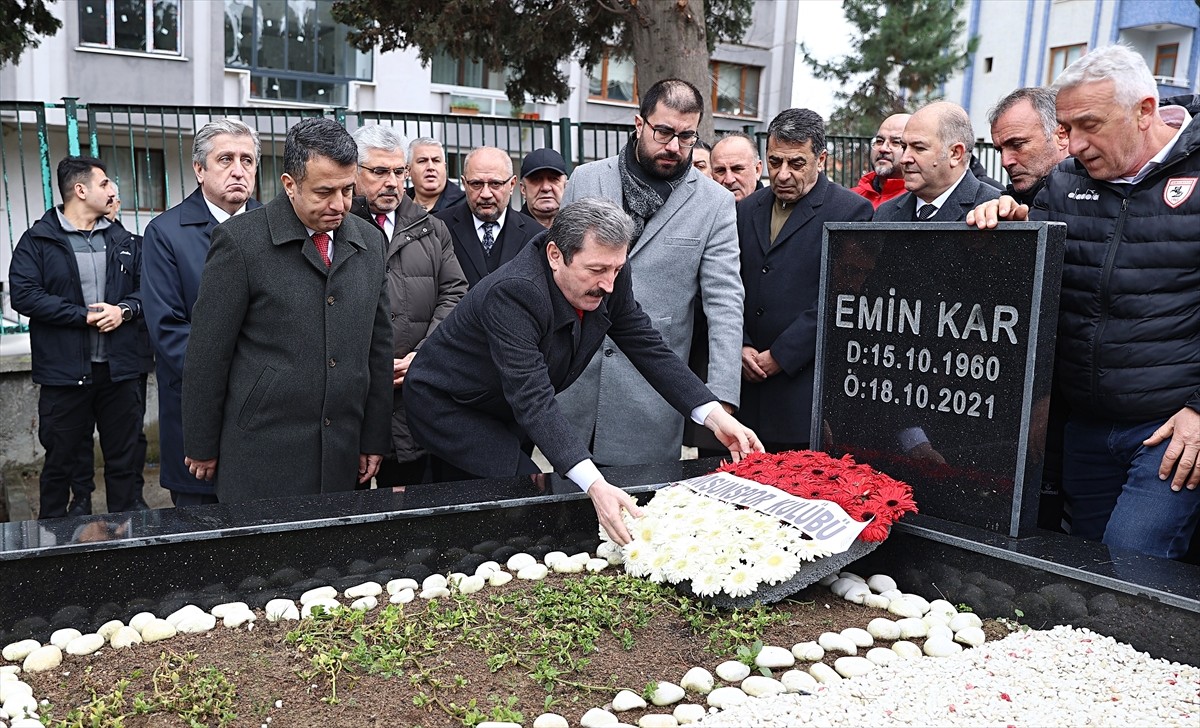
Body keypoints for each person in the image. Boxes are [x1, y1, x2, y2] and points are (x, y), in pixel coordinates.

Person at [404, 197, 763, 544]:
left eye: (617, 269)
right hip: (448, 404)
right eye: (596, 271)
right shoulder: (514, 292)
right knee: (524, 486)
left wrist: (715, 417)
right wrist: (595, 483)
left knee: (513, 495)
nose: (608, 284)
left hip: (501, 401)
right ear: (555, 255)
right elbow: (532, 397)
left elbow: (648, 347)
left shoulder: (609, 273)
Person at [967, 45, 1200, 560]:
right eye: (1066, 128)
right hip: (1087, 429)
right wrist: (1014, 225)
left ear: (1144, 111)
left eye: (1089, 125)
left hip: (1170, 429)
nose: (1072, 145)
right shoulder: (1066, 182)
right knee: (1087, 566)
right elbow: (1050, 285)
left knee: (1130, 562)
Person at [182, 117, 393, 502]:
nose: (339, 205)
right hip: (262, 450)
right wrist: (201, 443)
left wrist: (373, 437)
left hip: (341, 451)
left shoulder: (370, 242)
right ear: (290, 184)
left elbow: (377, 350)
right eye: (324, 192)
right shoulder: (240, 243)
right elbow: (208, 353)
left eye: (348, 190)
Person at [556, 78, 744, 467]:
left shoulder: (715, 204)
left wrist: (720, 399)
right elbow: (553, 274)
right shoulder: (586, 180)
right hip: (572, 385)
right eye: (663, 132)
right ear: (638, 124)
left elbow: (725, 301)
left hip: (651, 397)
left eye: (687, 137)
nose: (674, 147)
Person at [10, 157, 144, 518]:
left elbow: (149, 289)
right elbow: (24, 294)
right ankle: (56, 533)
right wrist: (82, 315)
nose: (112, 190)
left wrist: (124, 310)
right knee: (62, 458)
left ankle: (127, 527)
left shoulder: (125, 240)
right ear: (80, 190)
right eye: (104, 184)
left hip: (120, 372)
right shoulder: (38, 240)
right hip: (64, 374)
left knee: (126, 457)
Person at [142, 118, 262, 507]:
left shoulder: (278, 225)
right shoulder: (166, 232)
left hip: (268, 414)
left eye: (247, 160)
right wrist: (247, 375)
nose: (238, 170)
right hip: (201, 414)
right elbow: (169, 330)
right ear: (199, 169)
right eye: (225, 159)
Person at [738, 109, 874, 451]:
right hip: (741, 387)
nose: (782, 174)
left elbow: (843, 295)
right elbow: (724, 283)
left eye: (796, 163)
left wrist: (782, 355)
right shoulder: (744, 209)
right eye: (774, 162)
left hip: (800, 392)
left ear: (821, 159)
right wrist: (738, 344)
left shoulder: (851, 212)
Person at [349, 124, 468, 487]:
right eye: (379, 172)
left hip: (413, 392)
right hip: (353, 396)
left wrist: (423, 353)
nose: (392, 182)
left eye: (399, 172)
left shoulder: (431, 228)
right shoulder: (336, 226)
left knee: (407, 509)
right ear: (354, 172)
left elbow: (456, 293)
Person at [873, 101, 1001, 222]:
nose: (904, 159)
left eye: (919, 148)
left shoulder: (993, 211)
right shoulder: (885, 214)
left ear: (955, 154)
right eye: (904, 147)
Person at [436, 146, 541, 288]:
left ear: (512, 184)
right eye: (476, 184)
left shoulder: (536, 236)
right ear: (464, 183)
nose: (486, 194)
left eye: (495, 184)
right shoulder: (438, 227)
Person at [987, 87, 1069, 205]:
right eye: (1000, 151)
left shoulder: (1098, 199)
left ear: (1062, 136)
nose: (1005, 162)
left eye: (1017, 145)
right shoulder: (1002, 208)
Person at [851, 113, 910, 208]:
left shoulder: (920, 201)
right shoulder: (851, 199)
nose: (883, 148)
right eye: (879, 141)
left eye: (895, 142)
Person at [406, 137, 465, 214]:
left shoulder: (464, 205)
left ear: (445, 167)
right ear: (408, 170)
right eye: (422, 161)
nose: (430, 167)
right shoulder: (398, 203)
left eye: (436, 161)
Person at [519, 148, 568, 229]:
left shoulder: (581, 231)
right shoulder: (509, 231)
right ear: (523, 189)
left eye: (553, 179)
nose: (545, 188)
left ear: (566, 186)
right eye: (536, 179)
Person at [710, 132, 763, 201]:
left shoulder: (775, 208)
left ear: (757, 170)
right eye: (721, 171)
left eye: (737, 169)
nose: (729, 180)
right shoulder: (703, 209)